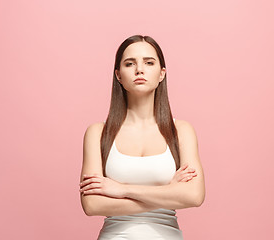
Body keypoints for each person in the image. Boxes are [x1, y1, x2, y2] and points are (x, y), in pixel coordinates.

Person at [79, 34, 206, 239]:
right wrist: (169, 192)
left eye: (149, 62)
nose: (140, 69)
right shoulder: (97, 133)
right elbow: (92, 204)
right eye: (130, 64)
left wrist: (121, 190)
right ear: (118, 75)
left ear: (162, 73)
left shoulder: (181, 131)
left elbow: (194, 196)